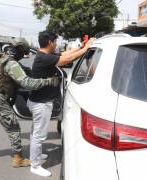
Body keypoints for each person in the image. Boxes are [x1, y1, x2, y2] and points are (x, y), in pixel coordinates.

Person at [0, 40, 59, 168]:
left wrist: (28, 70)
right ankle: (18, 158)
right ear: (20, 50)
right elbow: (27, 83)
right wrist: (48, 81)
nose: (23, 56)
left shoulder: (1, 58)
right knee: (13, 128)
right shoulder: (11, 64)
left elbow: (15, 72)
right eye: (24, 53)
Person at [27, 31, 95, 177]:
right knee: (39, 135)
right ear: (50, 42)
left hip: (38, 101)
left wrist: (83, 46)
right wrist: (86, 48)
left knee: (35, 133)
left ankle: (36, 157)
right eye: (55, 42)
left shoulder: (44, 56)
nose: (57, 45)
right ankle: (35, 165)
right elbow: (67, 59)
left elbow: (66, 54)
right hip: (41, 104)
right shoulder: (44, 58)